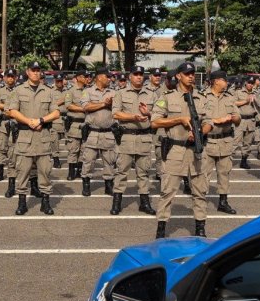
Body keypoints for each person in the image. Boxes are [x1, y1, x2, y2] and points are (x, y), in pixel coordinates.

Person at [151, 61, 212, 238]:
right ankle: (161, 228)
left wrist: (199, 132)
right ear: (178, 76)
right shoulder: (167, 97)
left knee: (200, 191)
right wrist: (178, 120)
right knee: (168, 191)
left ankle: (200, 227)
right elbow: (154, 121)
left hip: (196, 150)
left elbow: (209, 122)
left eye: (193, 73)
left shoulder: (201, 97)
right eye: (187, 73)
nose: (191, 76)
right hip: (175, 150)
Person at [5, 61, 60, 215]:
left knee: (45, 172)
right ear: (27, 72)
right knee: (22, 172)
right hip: (25, 137)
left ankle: (45, 203)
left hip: (43, 138)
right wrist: (29, 121)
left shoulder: (48, 91)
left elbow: (56, 113)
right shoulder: (18, 90)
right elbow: (12, 111)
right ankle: (22, 202)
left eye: (38, 70)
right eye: (33, 70)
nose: (36, 73)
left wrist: (41, 120)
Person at [111, 66, 156, 215]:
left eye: (141, 74)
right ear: (130, 76)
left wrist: (148, 113)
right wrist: (133, 117)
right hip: (126, 138)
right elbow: (116, 114)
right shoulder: (120, 93)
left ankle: (144, 203)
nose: (138, 77)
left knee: (143, 172)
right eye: (135, 74)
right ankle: (117, 203)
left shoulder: (151, 94)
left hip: (144, 137)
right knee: (121, 171)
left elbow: (158, 116)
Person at [202, 70, 241, 214]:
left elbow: (237, 118)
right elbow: (198, 119)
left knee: (224, 173)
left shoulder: (229, 98)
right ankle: (201, 201)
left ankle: (223, 202)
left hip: (225, 141)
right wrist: (217, 120)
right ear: (216, 81)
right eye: (225, 80)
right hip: (208, 142)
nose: (227, 82)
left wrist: (234, 118)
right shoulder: (203, 97)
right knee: (204, 174)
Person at [80, 67, 117, 197]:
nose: (109, 79)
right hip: (92, 132)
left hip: (108, 132)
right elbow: (86, 106)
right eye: (107, 76)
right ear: (99, 77)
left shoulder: (113, 92)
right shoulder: (87, 91)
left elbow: (119, 108)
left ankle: (109, 185)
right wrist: (103, 104)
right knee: (88, 160)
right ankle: (86, 184)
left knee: (109, 161)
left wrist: (111, 104)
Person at [0, 68, 18, 193]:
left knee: (13, 151)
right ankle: (0, 172)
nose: (10, 78)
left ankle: (12, 182)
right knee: (2, 148)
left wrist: (7, 106)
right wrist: (11, 106)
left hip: (16, 124)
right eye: (8, 76)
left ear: (16, 78)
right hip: (3, 124)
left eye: (12, 76)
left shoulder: (19, 90)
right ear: (4, 78)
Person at [64, 70, 89, 181]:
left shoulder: (88, 91)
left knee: (83, 149)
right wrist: (83, 108)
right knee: (73, 149)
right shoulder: (71, 91)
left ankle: (79, 170)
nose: (87, 78)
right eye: (85, 76)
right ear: (78, 78)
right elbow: (68, 105)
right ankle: (71, 172)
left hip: (86, 123)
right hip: (74, 124)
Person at [234, 76, 257, 169]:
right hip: (241, 120)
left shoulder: (256, 93)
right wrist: (245, 101)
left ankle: (244, 161)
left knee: (247, 143)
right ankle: (227, 160)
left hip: (251, 121)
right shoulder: (238, 92)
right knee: (235, 141)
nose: (250, 84)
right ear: (245, 83)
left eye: (252, 83)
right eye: (249, 82)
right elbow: (233, 103)